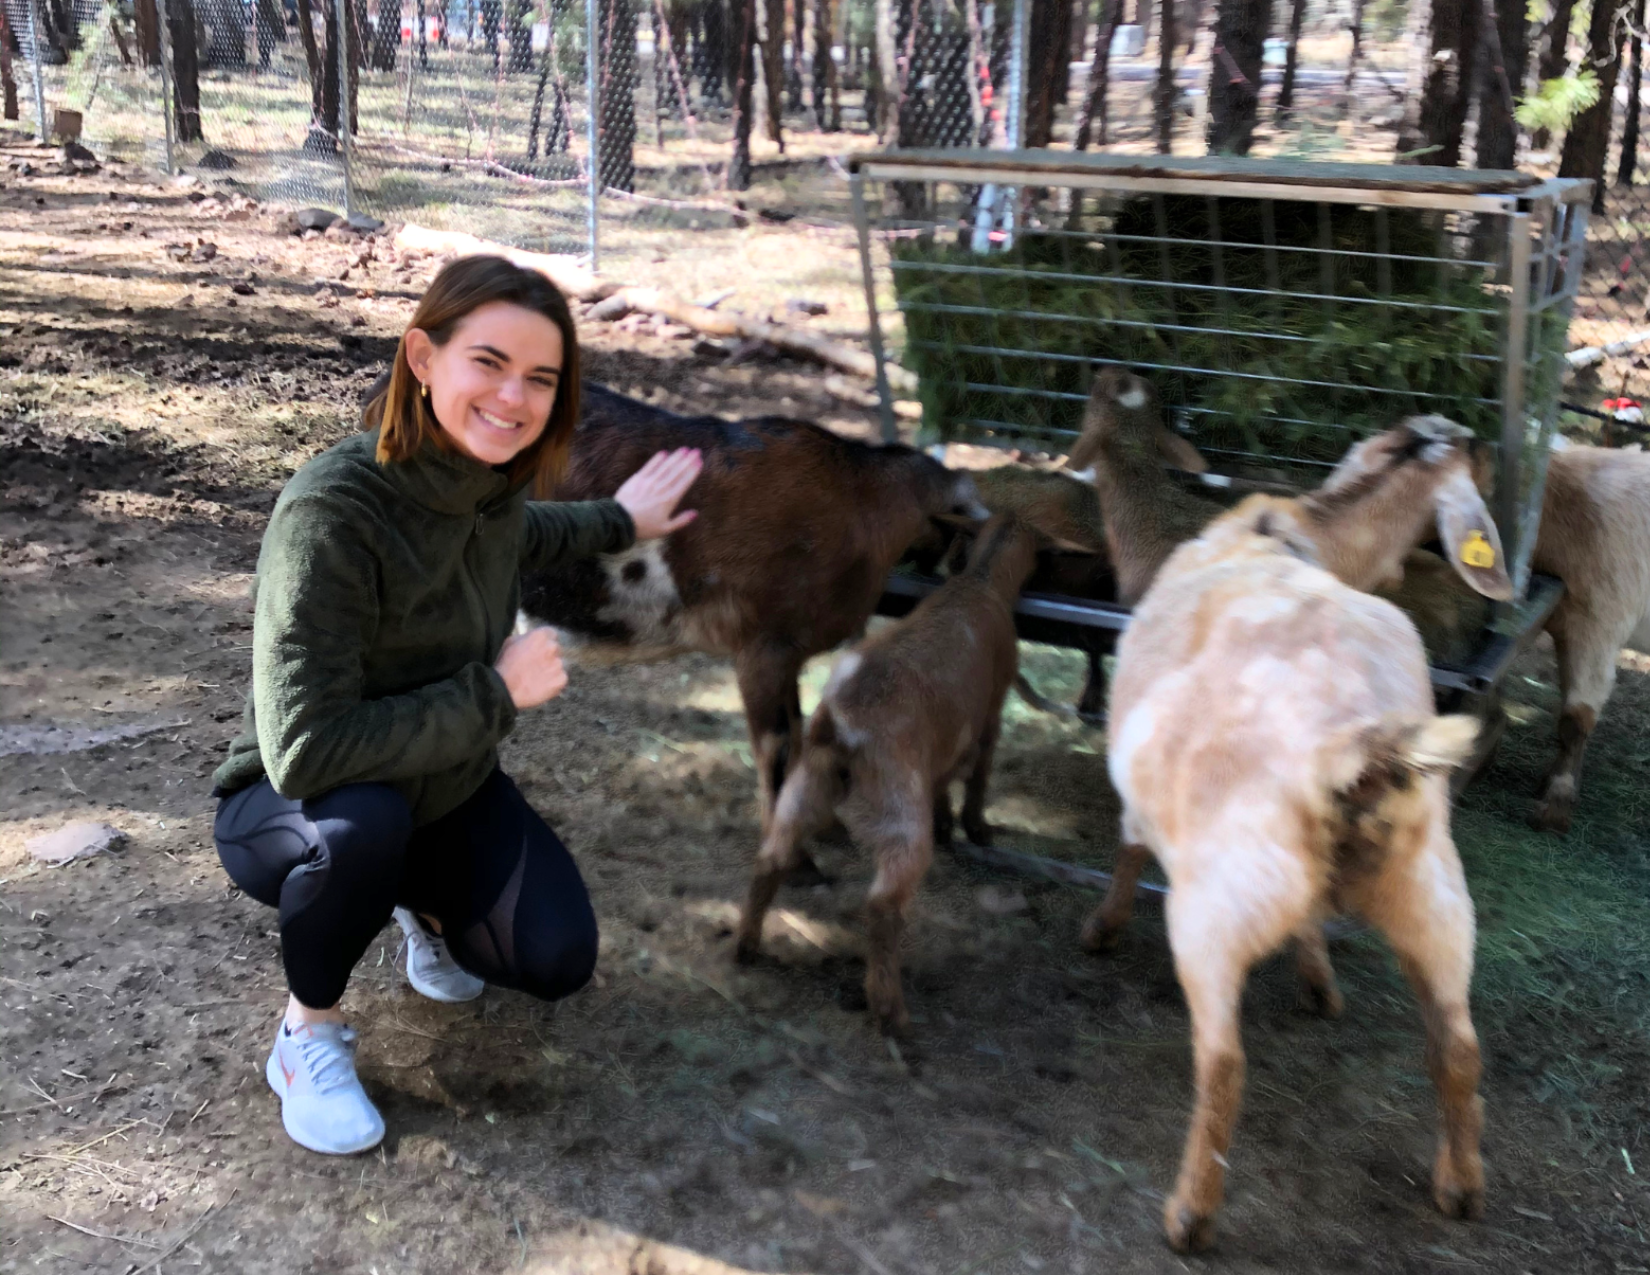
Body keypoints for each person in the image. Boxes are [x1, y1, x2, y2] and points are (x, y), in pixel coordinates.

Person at [210, 255, 702, 1155]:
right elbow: (307, 752)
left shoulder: (489, 491)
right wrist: (496, 692)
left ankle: (410, 906)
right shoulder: (335, 509)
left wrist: (624, 519)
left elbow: (532, 533)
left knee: (554, 957)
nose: (515, 398)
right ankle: (306, 1034)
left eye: (541, 379)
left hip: (441, 785)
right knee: (360, 828)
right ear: (423, 358)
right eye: (489, 362)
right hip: (297, 801)